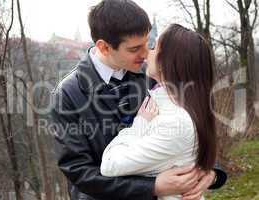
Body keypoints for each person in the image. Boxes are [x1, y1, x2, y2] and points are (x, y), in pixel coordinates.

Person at [50, 1, 227, 200]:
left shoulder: (156, 73)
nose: (145, 54)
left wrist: (210, 172)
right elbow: (79, 171)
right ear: (104, 47)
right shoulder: (68, 94)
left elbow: (188, 128)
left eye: (147, 44)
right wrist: (151, 187)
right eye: (135, 49)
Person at [100, 24, 219, 200]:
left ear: (168, 62)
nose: (147, 53)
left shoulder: (175, 120)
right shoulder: (181, 102)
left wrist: (140, 122)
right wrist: (153, 186)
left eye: (154, 47)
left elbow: (109, 164)